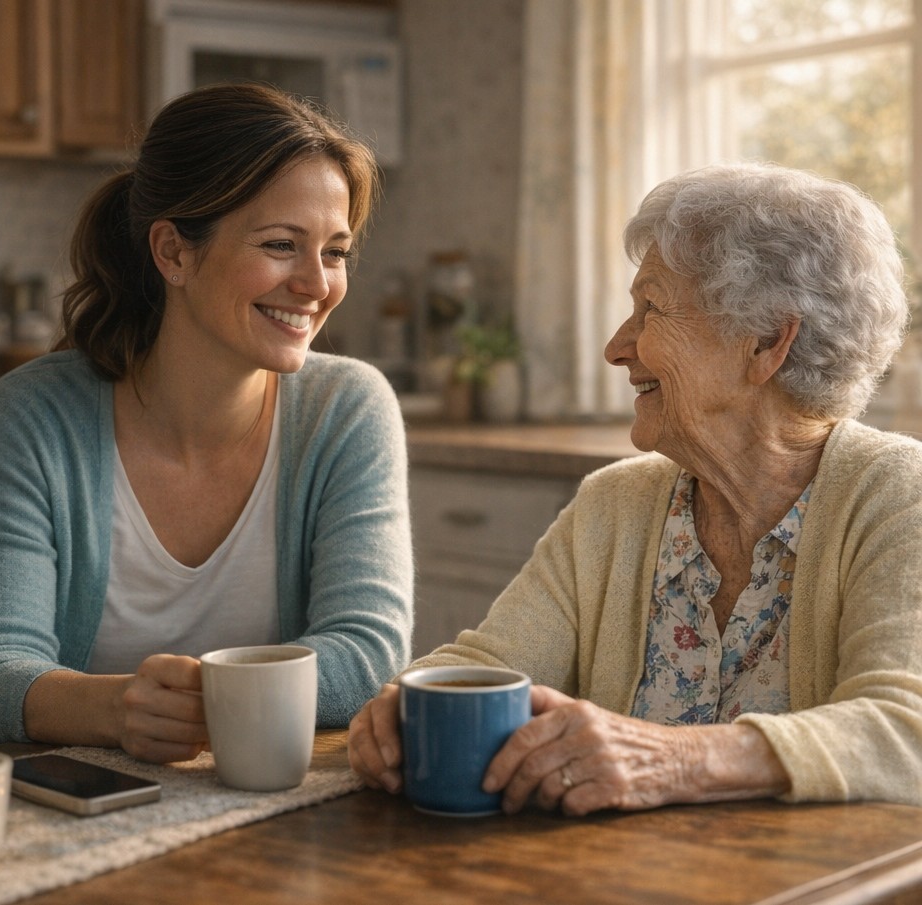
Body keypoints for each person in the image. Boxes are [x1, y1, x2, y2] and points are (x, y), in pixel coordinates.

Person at [350, 161, 922, 815]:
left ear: (766, 341)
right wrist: (406, 703)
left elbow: (905, 731)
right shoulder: (616, 504)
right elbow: (493, 664)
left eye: (651, 308)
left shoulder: (899, 496)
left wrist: (676, 758)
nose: (618, 347)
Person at [0, 83, 414, 763]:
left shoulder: (348, 409)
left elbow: (366, 654)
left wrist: (205, 696)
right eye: (282, 244)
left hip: (277, 815)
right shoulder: (33, 417)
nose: (317, 284)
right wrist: (116, 707)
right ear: (174, 253)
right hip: (75, 821)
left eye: (335, 251)